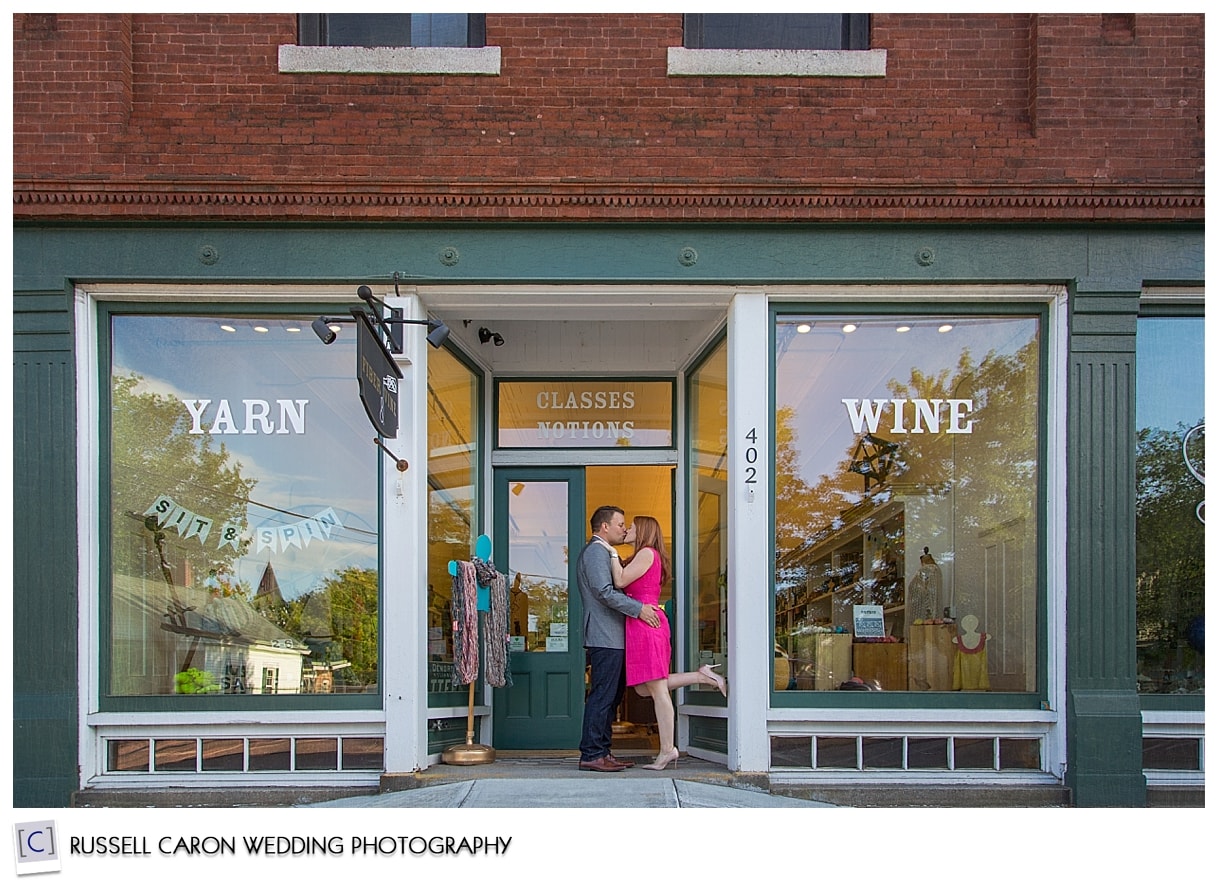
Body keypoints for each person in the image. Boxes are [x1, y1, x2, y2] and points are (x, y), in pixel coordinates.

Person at [610, 515, 727, 771]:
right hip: (642, 624)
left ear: (643, 531)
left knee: (658, 691)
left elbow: (619, 581)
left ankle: (667, 750)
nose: (627, 529)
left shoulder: (646, 553)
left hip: (646, 626)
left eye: (632, 526)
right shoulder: (647, 555)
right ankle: (703, 676)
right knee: (644, 689)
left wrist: (610, 552)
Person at [576, 505, 663, 772]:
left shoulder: (606, 552)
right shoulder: (595, 551)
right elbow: (603, 591)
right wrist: (638, 609)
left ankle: (603, 751)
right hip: (604, 636)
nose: (624, 529)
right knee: (602, 696)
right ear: (605, 527)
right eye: (620, 524)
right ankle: (592, 754)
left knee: (611, 697)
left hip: (613, 636)